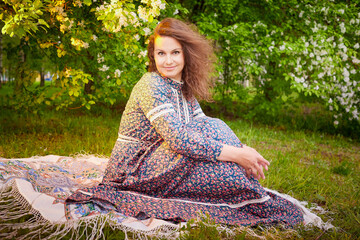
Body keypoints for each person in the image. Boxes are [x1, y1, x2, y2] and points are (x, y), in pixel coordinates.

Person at [67, 18, 304, 227]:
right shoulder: (151, 85)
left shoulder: (183, 88)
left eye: (175, 52)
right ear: (154, 56)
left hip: (167, 159)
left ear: (186, 54)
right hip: (134, 169)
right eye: (161, 53)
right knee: (227, 173)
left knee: (217, 138)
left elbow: (207, 128)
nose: (168, 60)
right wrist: (236, 154)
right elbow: (179, 140)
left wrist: (242, 151)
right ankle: (250, 192)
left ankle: (248, 186)